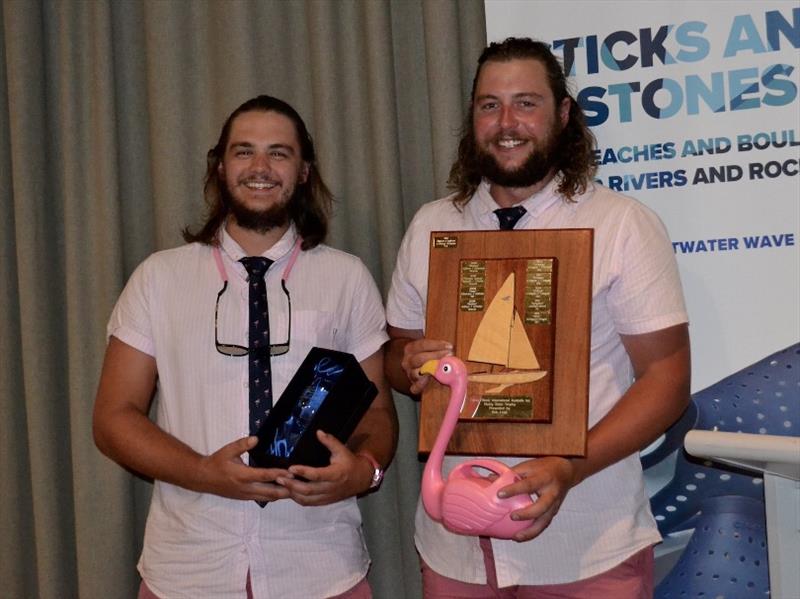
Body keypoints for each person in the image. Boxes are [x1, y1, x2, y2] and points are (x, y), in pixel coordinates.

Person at [385, 38, 690, 598]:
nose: (507, 122)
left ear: (564, 115)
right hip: (455, 546)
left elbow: (667, 380)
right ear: (472, 117)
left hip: (588, 543)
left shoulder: (622, 225)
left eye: (526, 103)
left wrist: (571, 465)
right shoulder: (431, 226)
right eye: (489, 105)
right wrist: (407, 365)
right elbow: (396, 356)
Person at [93, 95, 398, 599]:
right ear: (219, 166)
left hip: (320, 568)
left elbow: (379, 414)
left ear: (304, 171)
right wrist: (202, 473)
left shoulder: (346, 277)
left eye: (279, 153)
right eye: (244, 152)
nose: (261, 168)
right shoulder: (158, 278)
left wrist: (361, 473)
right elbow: (113, 417)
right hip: (187, 570)